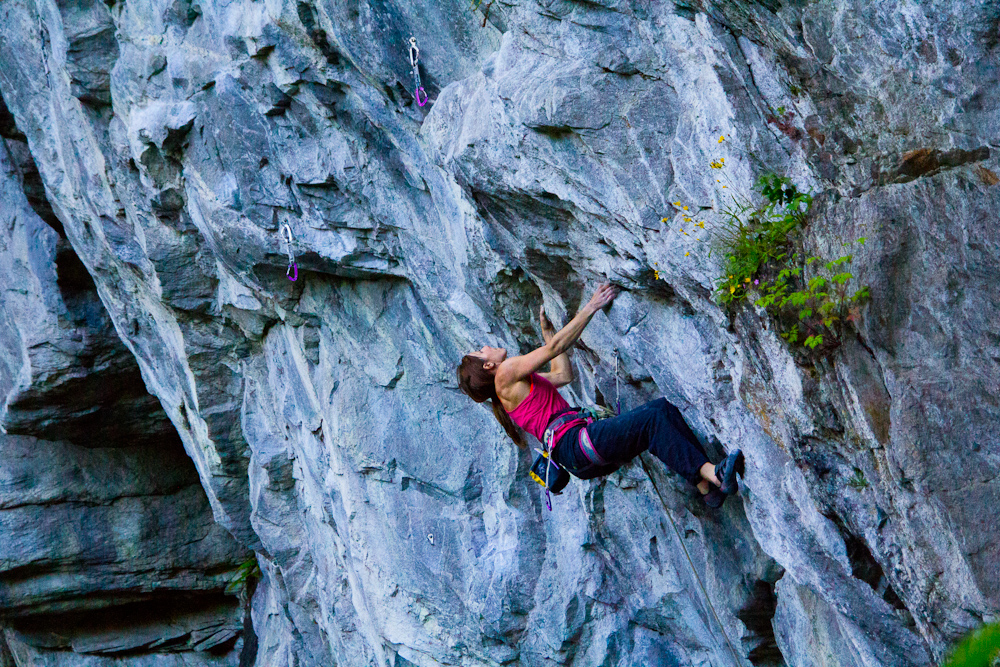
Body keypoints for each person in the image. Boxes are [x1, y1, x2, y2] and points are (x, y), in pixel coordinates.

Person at [456, 283, 743, 508]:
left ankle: (707, 490)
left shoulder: (512, 392)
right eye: (481, 352)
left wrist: (547, 331)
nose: (485, 347)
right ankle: (715, 475)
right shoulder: (504, 374)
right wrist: (591, 306)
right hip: (575, 443)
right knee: (654, 418)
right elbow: (556, 349)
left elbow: (562, 375)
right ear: (488, 366)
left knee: (659, 415)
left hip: (577, 457)